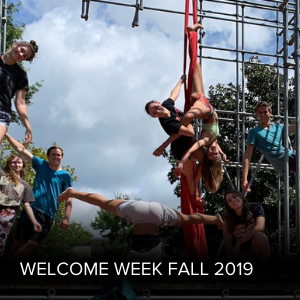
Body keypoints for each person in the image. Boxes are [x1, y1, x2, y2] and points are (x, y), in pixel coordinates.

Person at [145, 24, 227, 200]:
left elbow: (172, 95)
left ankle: (192, 33)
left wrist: (181, 82)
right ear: (154, 117)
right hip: (187, 143)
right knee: (196, 170)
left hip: (182, 148)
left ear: (159, 104)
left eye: (156, 107)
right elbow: (189, 131)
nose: (158, 110)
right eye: (154, 112)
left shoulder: (167, 107)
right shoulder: (168, 123)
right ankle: (197, 195)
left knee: (195, 67)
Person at [57, 187, 223, 262]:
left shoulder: (155, 258)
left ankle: (214, 219)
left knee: (188, 219)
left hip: (158, 213)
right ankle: (74, 193)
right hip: (136, 213)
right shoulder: (133, 258)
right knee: (103, 202)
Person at [5, 133, 72, 261]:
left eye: (58, 155)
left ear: (62, 158)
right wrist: (6, 135)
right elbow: (20, 149)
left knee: (33, 243)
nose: (55, 156)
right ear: (48, 156)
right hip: (32, 209)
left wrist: (66, 217)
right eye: (53, 154)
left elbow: (70, 198)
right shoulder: (41, 165)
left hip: (48, 214)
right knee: (19, 242)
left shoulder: (65, 176)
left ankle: (8, 265)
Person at [242, 101, 296, 192]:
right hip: (283, 160)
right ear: (257, 114)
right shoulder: (254, 132)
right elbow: (248, 155)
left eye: (265, 112)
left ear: (270, 112)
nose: (263, 114)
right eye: (260, 112)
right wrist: (244, 178)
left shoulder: (278, 127)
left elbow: (295, 127)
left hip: (290, 155)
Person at [0, 155, 41, 259]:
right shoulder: (2, 174)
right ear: (9, 164)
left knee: (1, 238)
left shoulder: (25, 185)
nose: (16, 164)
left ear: (22, 165)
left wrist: (34, 222)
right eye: (14, 162)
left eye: (19, 162)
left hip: (9, 212)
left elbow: (27, 205)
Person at [0, 40, 38, 146]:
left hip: (2, 112)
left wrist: (28, 127)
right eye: (21, 50)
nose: (20, 54)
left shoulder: (20, 75)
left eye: (24, 56)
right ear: (15, 44)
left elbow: (20, 103)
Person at [223, 190, 269, 264]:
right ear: (229, 206)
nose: (233, 200)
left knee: (260, 236)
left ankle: (262, 269)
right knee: (225, 261)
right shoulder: (228, 219)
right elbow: (228, 245)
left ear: (241, 197)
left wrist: (240, 241)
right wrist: (239, 254)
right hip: (240, 253)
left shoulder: (255, 207)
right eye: (229, 200)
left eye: (234, 197)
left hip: (255, 248)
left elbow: (260, 227)